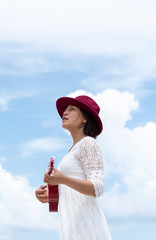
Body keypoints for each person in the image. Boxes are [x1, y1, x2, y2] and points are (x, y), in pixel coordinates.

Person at [35, 95, 111, 240]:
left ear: (85, 119)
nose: (65, 112)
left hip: (88, 230)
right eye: (65, 109)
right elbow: (73, 193)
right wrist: (49, 196)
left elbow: (98, 187)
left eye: (72, 109)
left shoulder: (88, 143)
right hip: (74, 230)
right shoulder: (72, 150)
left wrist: (62, 179)